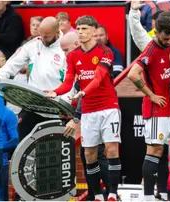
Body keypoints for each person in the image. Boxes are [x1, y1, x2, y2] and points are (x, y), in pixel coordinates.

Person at [44, 15, 121, 201]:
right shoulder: (73, 56)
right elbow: (68, 82)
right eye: (78, 29)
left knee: (111, 150)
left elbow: (99, 77)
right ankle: (97, 196)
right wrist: (55, 92)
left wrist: (84, 92)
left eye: (85, 28)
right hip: (88, 111)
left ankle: (112, 193)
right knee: (89, 154)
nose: (81, 32)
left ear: (94, 31)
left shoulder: (105, 52)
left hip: (108, 107)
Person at [0, 17, 67, 142]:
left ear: (57, 32)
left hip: (56, 107)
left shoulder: (66, 48)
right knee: (23, 144)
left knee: (52, 151)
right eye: (41, 35)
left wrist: (65, 104)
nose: (42, 39)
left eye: (47, 36)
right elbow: (13, 63)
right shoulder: (33, 44)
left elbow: (71, 80)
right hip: (32, 104)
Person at [127, 15, 170, 201]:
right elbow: (132, 74)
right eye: (164, 38)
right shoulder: (151, 50)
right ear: (156, 33)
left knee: (162, 150)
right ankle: (147, 197)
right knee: (154, 150)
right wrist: (151, 95)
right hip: (156, 109)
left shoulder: (169, 46)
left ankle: (161, 193)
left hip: (168, 107)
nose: (168, 41)